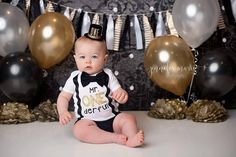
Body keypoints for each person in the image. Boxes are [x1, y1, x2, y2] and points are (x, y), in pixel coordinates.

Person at [57, 24, 144, 147]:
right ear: (75, 59)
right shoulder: (74, 78)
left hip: (112, 119)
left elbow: (119, 91)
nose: (88, 61)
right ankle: (114, 138)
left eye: (94, 57)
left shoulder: (108, 75)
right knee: (79, 130)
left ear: (104, 59)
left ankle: (131, 138)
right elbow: (63, 97)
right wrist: (62, 112)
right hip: (89, 121)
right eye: (82, 57)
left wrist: (122, 95)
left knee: (128, 118)